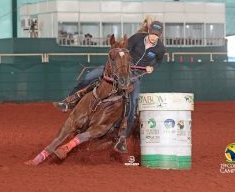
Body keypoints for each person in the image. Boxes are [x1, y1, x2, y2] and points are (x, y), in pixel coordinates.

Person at [53, 20, 165, 152]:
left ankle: (121, 139)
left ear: (160, 36)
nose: (153, 37)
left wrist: (152, 67)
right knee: (88, 78)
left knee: (133, 106)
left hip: (135, 75)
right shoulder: (136, 39)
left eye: (156, 35)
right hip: (119, 69)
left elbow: (158, 61)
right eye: (152, 34)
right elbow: (122, 51)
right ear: (148, 32)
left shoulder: (160, 48)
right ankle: (69, 102)